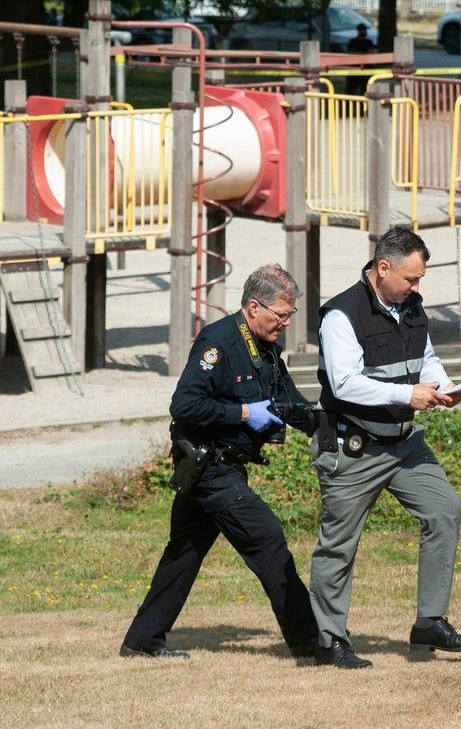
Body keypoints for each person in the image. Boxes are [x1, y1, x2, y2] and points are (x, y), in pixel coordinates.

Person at [120, 265, 318, 660]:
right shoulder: (219, 343)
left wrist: (329, 422)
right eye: (280, 315)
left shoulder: (266, 346)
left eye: (290, 316)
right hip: (210, 467)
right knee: (268, 541)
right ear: (252, 307)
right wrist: (244, 414)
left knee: (185, 552)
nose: (285, 324)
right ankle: (310, 641)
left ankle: (142, 640)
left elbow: (290, 403)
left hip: (223, 465)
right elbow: (185, 405)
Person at [308, 228, 461, 669]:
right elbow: (345, 383)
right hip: (354, 447)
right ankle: (330, 641)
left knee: (444, 510)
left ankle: (430, 622)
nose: (416, 288)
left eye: (420, 279)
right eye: (411, 279)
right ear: (382, 268)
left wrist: (445, 386)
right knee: (339, 544)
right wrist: (409, 395)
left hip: (403, 443)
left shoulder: (411, 306)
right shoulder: (340, 316)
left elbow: (425, 357)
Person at [345, 23, 374, 96]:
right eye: (362, 30)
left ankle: (363, 105)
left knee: (365, 89)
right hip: (354, 69)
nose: (363, 32)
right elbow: (351, 53)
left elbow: (372, 53)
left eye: (364, 30)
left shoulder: (369, 42)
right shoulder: (353, 42)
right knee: (351, 89)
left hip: (366, 69)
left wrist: (360, 54)